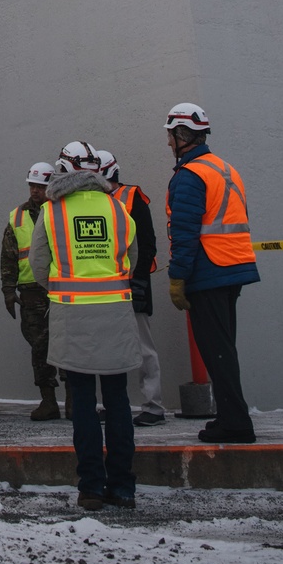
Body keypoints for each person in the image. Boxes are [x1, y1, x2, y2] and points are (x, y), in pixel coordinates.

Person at [30, 150, 141, 510]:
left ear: (62, 171)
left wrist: (64, 289)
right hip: (116, 316)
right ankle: (123, 487)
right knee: (118, 400)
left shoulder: (52, 211)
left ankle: (91, 486)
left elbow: (39, 266)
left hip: (73, 316)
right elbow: (132, 258)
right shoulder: (118, 208)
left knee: (82, 404)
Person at [165, 102, 259, 443]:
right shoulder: (224, 168)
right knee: (224, 349)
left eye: (170, 136)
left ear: (180, 135)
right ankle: (231, 418)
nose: (168, 143)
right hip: (233, 267)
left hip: (209, 270)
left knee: (216, 352)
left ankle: (236, 423)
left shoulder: (190, 175)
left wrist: (177, 277)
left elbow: (185, 232)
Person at [97, 151, 165, 426]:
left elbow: (147, 243)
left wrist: (137, 281)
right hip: (104, 285)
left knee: (142, 347)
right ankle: (113, 405)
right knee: (107, 348)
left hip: (131, 282)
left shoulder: (132, 197)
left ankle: (153, 406)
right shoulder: (94, 201)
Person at [0, 161, 60, 419]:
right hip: (32, 293)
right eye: (32, 185)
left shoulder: (61, 212)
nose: (35, 191)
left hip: (59, 289)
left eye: (41, 186)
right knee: (39, 346)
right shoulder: (17, 216)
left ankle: (74, 400)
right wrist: (8, 290)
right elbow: (8, 256)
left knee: (66, 344)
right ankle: (49, 401)